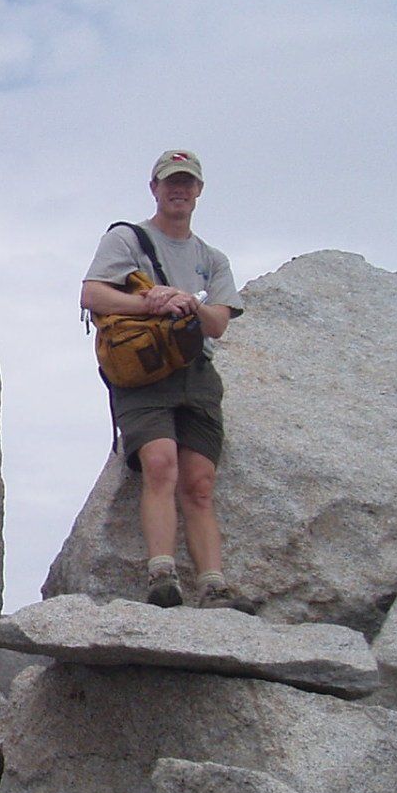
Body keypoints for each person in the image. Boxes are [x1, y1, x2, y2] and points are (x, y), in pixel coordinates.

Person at [80, 150, 247, 610]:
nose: (179, 190)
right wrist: (152, 302)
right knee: (160, 464)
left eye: (187, 183)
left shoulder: (212, 258)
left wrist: (189, 303)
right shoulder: (127, 239)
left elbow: (218, 323)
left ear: (199, 191)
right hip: (145, 370)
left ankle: (213, 585)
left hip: (196, 371)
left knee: (200, 482)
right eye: (171, 182)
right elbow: (92, 293)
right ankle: (161, 575)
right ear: (154, 188)